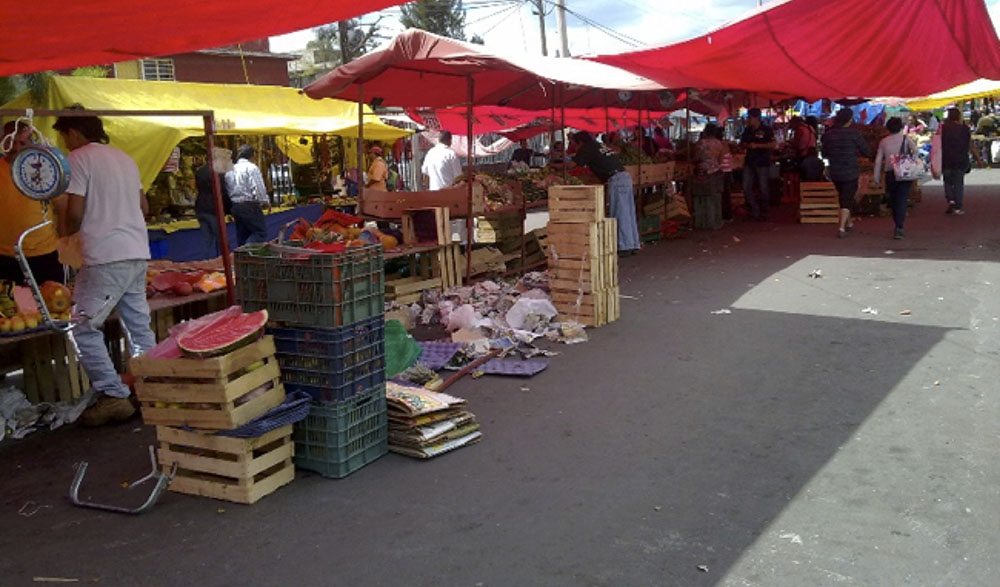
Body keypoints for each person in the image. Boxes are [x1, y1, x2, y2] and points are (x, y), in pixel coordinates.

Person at [53, 108, 156, 427]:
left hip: (106, 255)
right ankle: (153, 390)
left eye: (64, 136)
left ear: (72, 133)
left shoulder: (80, 158)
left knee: (81, 326)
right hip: (137, 251)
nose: (65, 143)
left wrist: (65, 231)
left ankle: (114, 396)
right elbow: (145, 207)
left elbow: (75, 211)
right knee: (138, 326)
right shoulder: (124, 158)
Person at [0, 120, 64, 284]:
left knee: (51, 305)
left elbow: (62, 207)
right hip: (4, 255)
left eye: (21, 143)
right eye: (10, 142)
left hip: (44, 253)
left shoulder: (44, 168)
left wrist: (63, 240)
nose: (15, 148)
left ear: (31, 143)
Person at [569, 131, 640, 255]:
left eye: (575, 144)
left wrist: (555, 165)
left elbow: (571, 165)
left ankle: (624, 247)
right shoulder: (598, 145)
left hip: (616, 179)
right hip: (624, 176)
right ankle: (633, 244)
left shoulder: (587, 148)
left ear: (580, 142)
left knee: (619, 212)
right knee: (628, 212)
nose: (575, 147)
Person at [821, 108, 873, 238]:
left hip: (835, 170)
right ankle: (841, 227)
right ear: (850, 120)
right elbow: (865, 150)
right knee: (847, 198)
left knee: (843, 195)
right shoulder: (854, 134)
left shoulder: (828, 134)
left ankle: (848, 222)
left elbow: (824, 153)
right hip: (850, 169)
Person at [872, 117, 918, 239]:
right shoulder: (905, 138)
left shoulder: (884, 141)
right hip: (904, 172)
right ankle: (899, 227)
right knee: (902, 199)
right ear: (901, 127)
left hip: (890, 173)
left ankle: (897, 223)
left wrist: (876, 177)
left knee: (893, 199)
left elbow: (878, 161)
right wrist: (911, 161)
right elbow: (916, 151)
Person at [940, 108, 985, 215]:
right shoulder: (964, 129)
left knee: (947, 181)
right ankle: (958, 207)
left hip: (946, 159)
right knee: (958, 183)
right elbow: (971, 145)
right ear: (959, 116)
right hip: (960, 159)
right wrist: (978, 159)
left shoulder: (944, 128)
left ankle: (950, 199)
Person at [225, 145, 271, 245]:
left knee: (242, 235)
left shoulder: (230, 170)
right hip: (249, 205)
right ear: (252, 155)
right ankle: (246, 251)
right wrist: (265, 201)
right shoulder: (252, 168)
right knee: (260, 233)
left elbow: (227, 188)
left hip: (236, 205)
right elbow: (258, 188)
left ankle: (242, 257)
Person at [194, 147, 233, 259]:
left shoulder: (200, 171)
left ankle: (205, 262)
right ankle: (225, 263)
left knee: (206, 240)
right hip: (214, 208)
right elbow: (223, 192)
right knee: (221, 239)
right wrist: (229, 209)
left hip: (201, 207)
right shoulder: (218, 172)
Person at [739, 108, 777, 221]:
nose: (748, 120)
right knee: (746, 187)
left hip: (762, 162)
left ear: (756, 118)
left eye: (749, 117)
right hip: (749, 162)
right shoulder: (747, 130)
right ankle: (754, 209)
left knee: (763, 187)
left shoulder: (766, 130)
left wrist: (758, 146)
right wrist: (745, 145)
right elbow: (742, 143)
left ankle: (765, 211)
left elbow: (773, 144)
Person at [694, 122, 725, 204]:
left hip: (703, 171)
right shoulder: (719, 143)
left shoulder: (701, 143)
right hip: (716, 170)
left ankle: (705, 214)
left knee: (703, 197)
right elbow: (721, 158)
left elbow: (697, 157)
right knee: (715, 196)